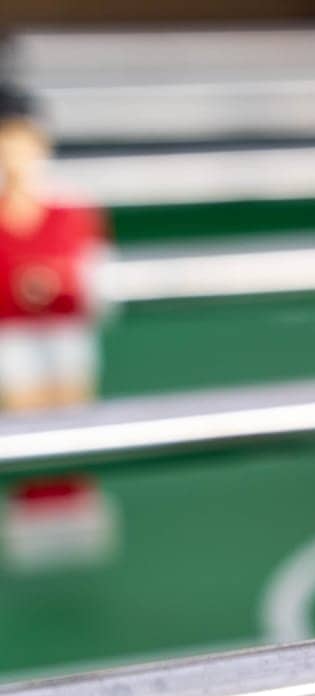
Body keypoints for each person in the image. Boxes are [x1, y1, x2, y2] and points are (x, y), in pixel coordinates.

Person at [0, 83, 115, 569]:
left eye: (18, 139)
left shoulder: (72, 209)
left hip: (65, 337)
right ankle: (31, 519)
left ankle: (71, 520)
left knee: (70, 425)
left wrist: (58, 285)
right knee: (22, 428)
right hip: (10, 340)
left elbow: (98, 284)